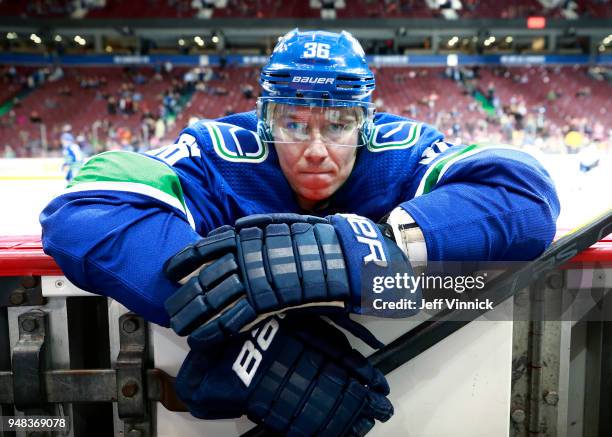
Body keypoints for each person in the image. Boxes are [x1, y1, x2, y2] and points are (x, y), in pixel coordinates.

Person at [40, 29, 559, 435]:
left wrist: (369, 249)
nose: (315, 148)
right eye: (294, 124)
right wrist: (252, 339)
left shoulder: (399, 151)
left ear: (365, 121)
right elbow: (84, 212)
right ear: (266, 121)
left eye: (337, 126)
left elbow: (525, 195)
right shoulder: (222, 152)